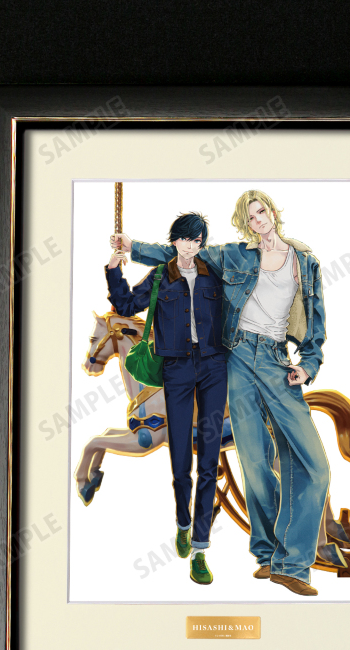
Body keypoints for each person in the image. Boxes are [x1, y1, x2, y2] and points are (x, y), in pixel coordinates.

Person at [112, 190, 347, 596]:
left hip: (275, 360)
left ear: (273, 212)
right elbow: (179, 255)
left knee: (315, 466)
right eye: (249, 217)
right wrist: (132, 248)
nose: (258, 220)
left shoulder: (304, 261)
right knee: (254, 462)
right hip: (235, 358)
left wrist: (308, 364)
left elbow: (316, 321)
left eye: (261, 212)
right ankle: (269, 555)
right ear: (245, 224)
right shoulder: (235, 256)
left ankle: (293, 562)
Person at [106, 212, 226, 586]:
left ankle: (201, 550)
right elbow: (125, 306)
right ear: (174, 241)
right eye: (185, 239)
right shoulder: (160, 276)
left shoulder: (214, 275)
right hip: (176, 369)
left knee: (209, 461)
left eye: (198, 240)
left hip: (214, 368)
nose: (191, 246)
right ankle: (183, 524)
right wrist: (114, 268)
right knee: (180, 459)